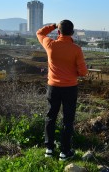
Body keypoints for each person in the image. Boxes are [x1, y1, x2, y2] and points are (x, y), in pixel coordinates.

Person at [36, 20, 88, 161]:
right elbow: (83, 72)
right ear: (72, 32)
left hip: (53, 87)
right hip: (70, 88)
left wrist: (52, 26)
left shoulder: (50, 44)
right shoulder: (76, 49)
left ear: (58, 32)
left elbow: (39, 33)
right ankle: (65, 152)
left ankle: (49, 149)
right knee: (68, 119)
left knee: (50, 116)